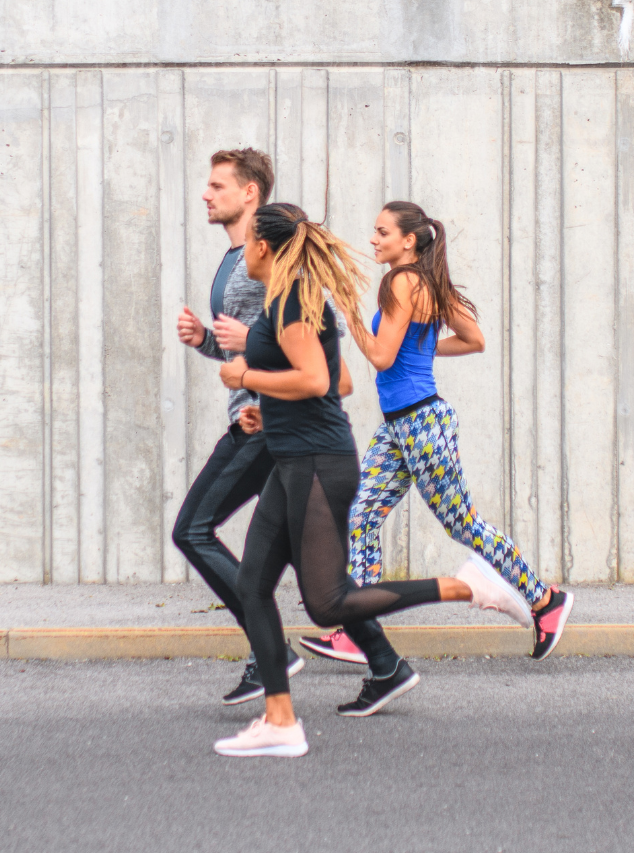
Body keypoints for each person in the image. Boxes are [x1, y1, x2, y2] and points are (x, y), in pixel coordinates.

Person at [212, 204, 482, 758]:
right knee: (253, 585)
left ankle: (462, 587)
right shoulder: (293, 294)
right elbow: (335, 378)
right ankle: (281, 720)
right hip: (297, 456)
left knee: (329, 604)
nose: (244, 256)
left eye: (248, 248)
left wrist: (245, 375)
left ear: (262, 247)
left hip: (315, 462)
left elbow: (318, 379)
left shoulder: (291, 298)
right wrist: (267, 408)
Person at [297, 201, 574, 666]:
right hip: (401, 426)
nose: (373, 239)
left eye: (382, 231)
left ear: (408, 240)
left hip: (422, 424)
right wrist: (420, 354)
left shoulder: (400, 282)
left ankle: (545, 600)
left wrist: (346, 309)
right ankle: (358, 631)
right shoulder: (425, 282)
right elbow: (473, 339)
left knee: (462, 521)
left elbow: (382, 358)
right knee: (360, 516)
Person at [172, 149, 307, 706]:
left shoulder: (269, 251)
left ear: (250, 192)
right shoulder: (234, 257)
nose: (206, 194)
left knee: (193, 529)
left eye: (217, 185)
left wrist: (253, 375)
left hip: (263, 422)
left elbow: (314, 329)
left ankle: (271, 652)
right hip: (255, 414)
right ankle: (385, 662)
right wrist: (205, 338)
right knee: (303, 552)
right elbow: (240, 342)